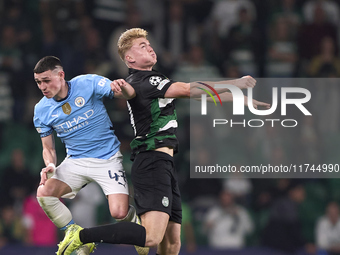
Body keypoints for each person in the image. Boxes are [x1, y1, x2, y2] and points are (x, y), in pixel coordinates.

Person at [56, 28, 270, 255]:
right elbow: (189, 90)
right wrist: (236, 83)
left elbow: (196, 92)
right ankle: (81, 235)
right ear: (130, 58)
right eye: (141, 46)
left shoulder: (151, 80)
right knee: (151, 237)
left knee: (172, 245)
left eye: (149, 44)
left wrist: (242, 99)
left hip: (164, 164)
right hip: (152, 162)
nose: (149, 47)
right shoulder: (144, 80)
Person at [32, 56, 146, 255]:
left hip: (107, 158)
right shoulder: (41, 110)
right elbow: (48, 148)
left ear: (61, 75)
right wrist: (50, 164)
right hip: (76, 160)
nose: (42, 86)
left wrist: (122, 88)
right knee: (43, 193)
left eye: (46, 80)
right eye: (38, 82)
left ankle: (134, 222)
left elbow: (119, 92)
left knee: (119, 213)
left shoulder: (87, 83)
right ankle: (75, 234)